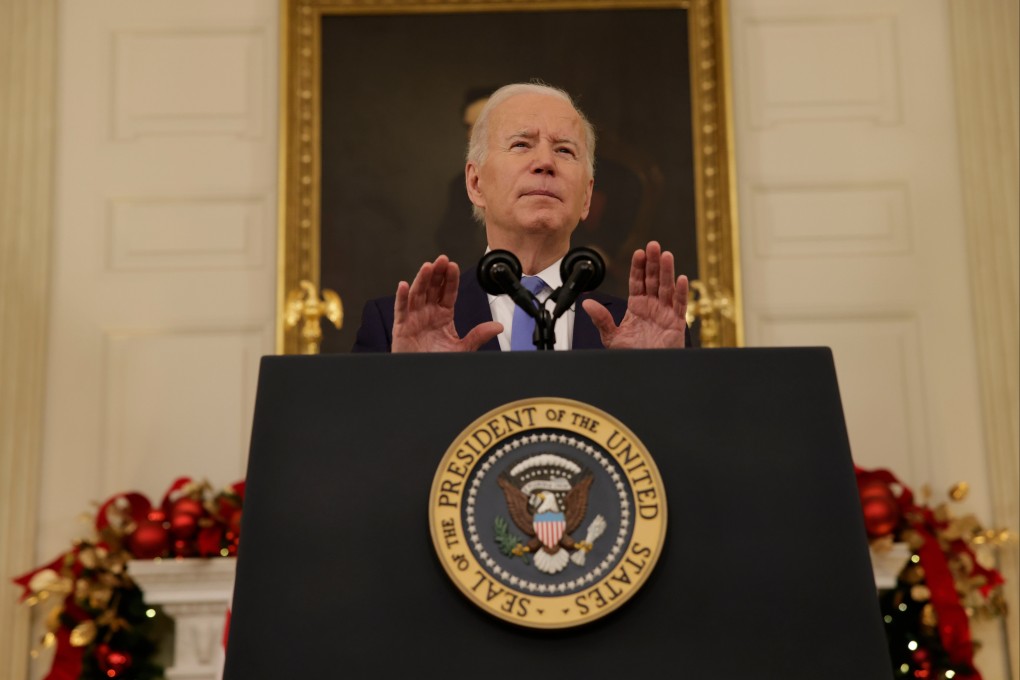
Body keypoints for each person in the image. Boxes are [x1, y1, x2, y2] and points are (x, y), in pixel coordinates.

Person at [352, 82, 690, 353]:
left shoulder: (645, 334)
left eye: (564, 150)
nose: (545, 162)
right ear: (475, 183)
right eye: (521, 145)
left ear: (586, 196)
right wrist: (412, 381)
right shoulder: (393, 329)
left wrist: (653, 377)